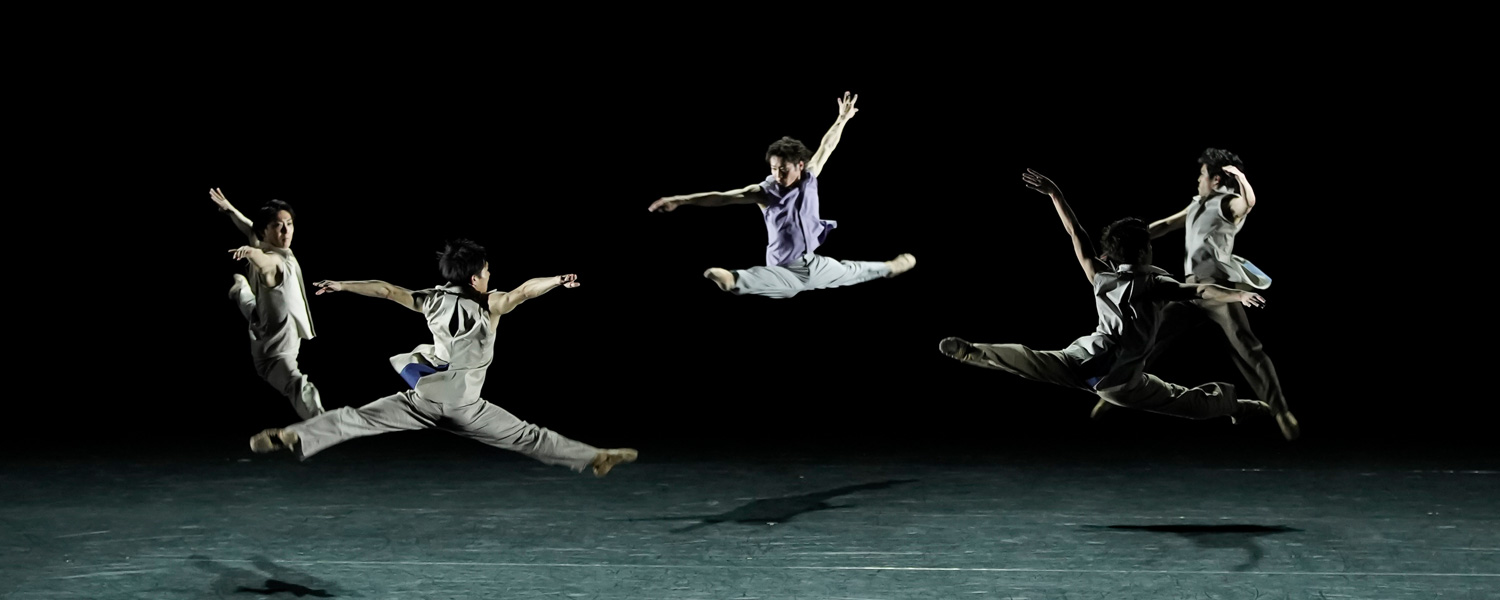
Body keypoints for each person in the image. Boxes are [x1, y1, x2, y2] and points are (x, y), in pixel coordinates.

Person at [248, 239, 638, 477]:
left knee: (357, 418)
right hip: (466, 407)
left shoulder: (432, 299)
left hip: (424, 399)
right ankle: (595, 458)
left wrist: (342, 285)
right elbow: (524, 292)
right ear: (474, 279)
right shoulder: (490, 305)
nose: (489, 276)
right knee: (529, 436)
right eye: (486, 272)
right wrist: (556, 281)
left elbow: (386, 290)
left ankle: (292, 434)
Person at [938, 169, 1287, 435]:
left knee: (1029, 359)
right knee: (1184, 401)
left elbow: (1077, 234)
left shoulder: (1101, 276)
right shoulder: (1154, 283)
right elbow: (1201, 291)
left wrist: (1055, 194)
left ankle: (977, 350)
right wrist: (1238, 293)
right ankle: (1237, 407)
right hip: (1120, 383)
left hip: (1081, 360)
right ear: (1147, 249)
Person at [1087, 149, 1299, 440]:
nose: (1197, 179)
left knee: (1248, 349)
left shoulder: (1227, 204)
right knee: (1151, 335)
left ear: (1214, 180)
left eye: (1201, 175)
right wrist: (1118, 246)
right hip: (1190, 291)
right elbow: (1162, 226)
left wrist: (1240, 178)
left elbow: (1248, 203)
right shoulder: (1197, 205)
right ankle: (1114, 388)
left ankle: (1280, 410)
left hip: (1218, 290)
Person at [648, 91, 915, 298]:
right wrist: (679, 200)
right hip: (784, 270)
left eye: (783, 169)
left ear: (799, 165)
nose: (778, 174)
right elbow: (721, 196)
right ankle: (733, 280)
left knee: (849, 271)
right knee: (773, 282)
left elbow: (827, 145)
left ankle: (890, 268)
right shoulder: (765, 193)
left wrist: (842, 119)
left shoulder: (809, 176)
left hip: (814, 263)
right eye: (774, 169)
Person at [211, 188, 324, 420]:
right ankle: (321, 422)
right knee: (296, 383)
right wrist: (251, 253)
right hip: (273, 354)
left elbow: (249, 227)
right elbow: (264, 262)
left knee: (254, 309)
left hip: (264, 320)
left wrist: (230, 209)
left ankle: (240, 288)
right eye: (278, 226)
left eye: (289, 224)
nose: (285, 231)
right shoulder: (272, 260)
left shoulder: (273, 246)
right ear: (267, 230)